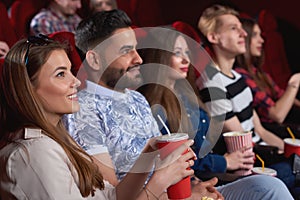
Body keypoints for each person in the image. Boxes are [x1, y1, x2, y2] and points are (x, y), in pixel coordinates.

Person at [64, 9, 294, 199]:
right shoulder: (82, 110)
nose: (139, 59)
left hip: (181, 192)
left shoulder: (136, 98)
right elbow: (114, 192)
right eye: (126, 51)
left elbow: (166, 159)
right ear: (94, 59)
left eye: (136, 48)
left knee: (267, 186)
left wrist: (193, 185)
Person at [0, 34, 204, 199]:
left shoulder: (58, 139)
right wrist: (161, 181)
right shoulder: (34, 153)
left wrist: (148, 153)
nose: (76, 82)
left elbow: (112, 196)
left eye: (71, 71)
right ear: (28, 89)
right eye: (61, 74)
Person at [137, 26, 295, 199]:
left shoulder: (187, 94)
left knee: (288, 172)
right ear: (159, 57)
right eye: (177, 53)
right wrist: (226, 162)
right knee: (278, 178)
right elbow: (181, 162)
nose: (185, 59)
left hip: (218, 173)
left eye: (187, 52)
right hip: (203, 181)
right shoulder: (154, 109)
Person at [197, 4, 300, 197]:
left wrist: (290, 151)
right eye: (233, 28)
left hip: (267, 154)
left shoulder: (238, 77)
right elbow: (241, 140)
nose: (243, 33)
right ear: (213, 37)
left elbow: (259, 130)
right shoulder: (211, 83)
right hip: (252, 163)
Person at [234, 17, 300, 138]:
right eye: (255, 35)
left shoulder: (257, 71)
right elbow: (277, 115)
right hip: (270, 132)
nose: (262, 40)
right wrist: (294, 84)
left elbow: (280, 94)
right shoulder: (241, 76)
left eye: (261, 35)